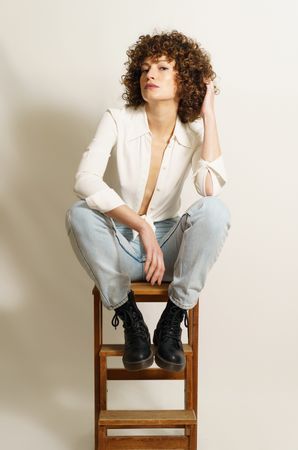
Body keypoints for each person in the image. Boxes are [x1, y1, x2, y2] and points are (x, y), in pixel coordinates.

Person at [65, 30, 231, 373]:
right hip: (121, 248)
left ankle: (173, 317)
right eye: (143, 69)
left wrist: (209, 116)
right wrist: (139, 224)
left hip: (168, 252)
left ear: (184, 77)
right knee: (79, 214)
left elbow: (210, 186)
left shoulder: (195, 132)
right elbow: (85, 179)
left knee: (215, 210)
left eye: (162, 68)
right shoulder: (117, 118)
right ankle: (130, 318)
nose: (149, 75)